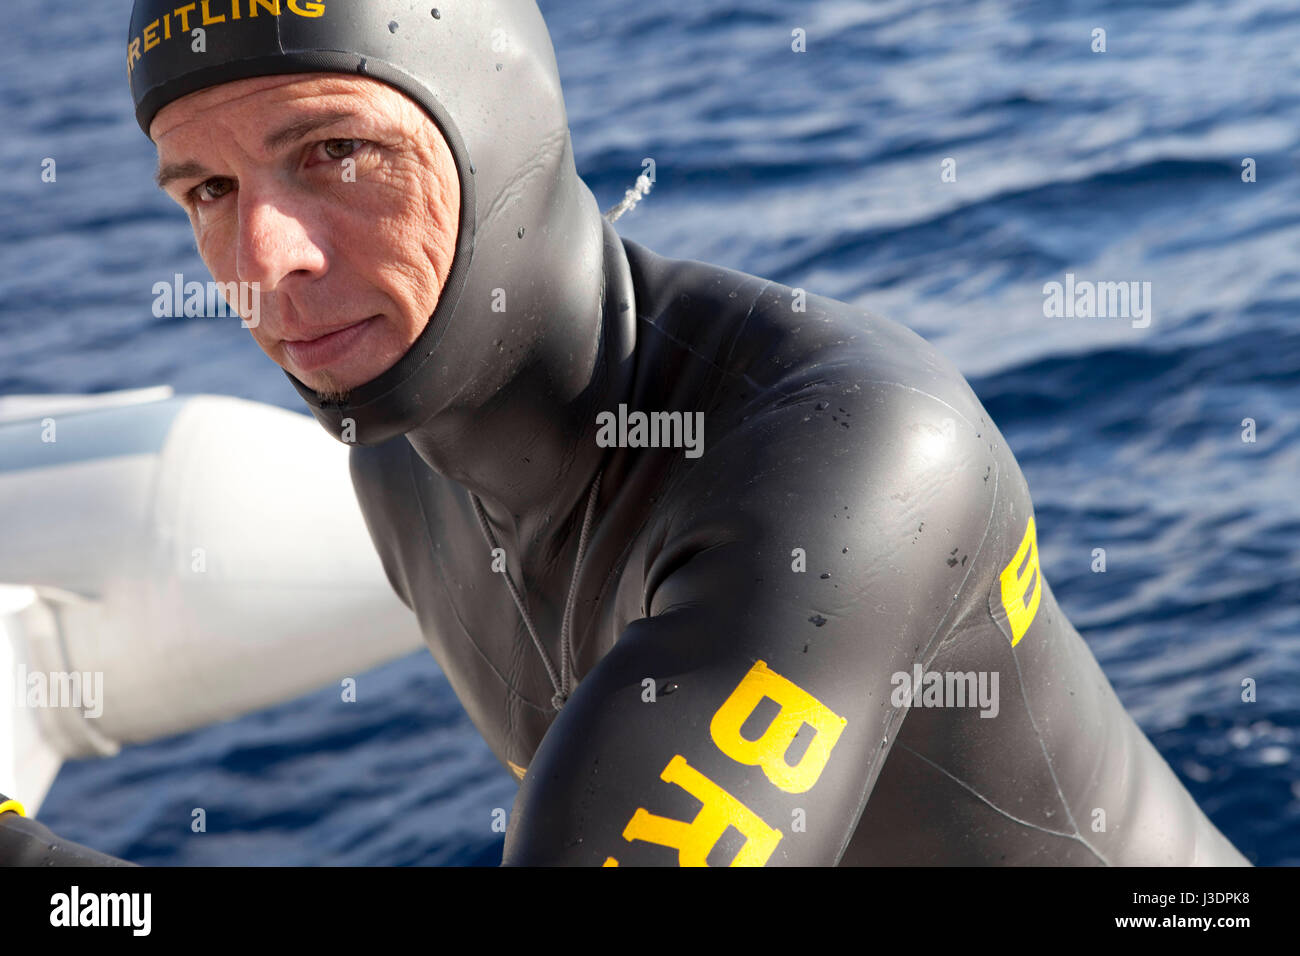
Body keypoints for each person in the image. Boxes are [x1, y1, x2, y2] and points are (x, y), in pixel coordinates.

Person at [1, 0, 1248, 866]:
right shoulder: (395, 445)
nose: (267, 257)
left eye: (335, 151)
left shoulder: (852, 453)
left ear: (495, 134)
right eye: (208, 190)